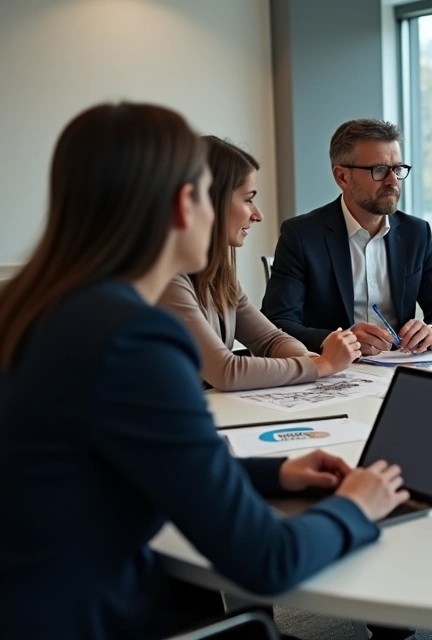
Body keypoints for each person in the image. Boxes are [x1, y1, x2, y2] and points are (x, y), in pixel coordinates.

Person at [0, 102, 410, 639]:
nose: (248, 214)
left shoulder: (34, 307)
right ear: (183, 204)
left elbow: (124, 460)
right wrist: (357, 507)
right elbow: (266, 560)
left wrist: (274, 473)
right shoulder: (134, 337)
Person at [159, 136, 360, 391]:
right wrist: (322, 366)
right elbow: (225, 371)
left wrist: (311, 360)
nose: (258, 214)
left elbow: (269, 339)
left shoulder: (219, 274)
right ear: (209, 201)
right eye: (247, 199)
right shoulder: (165, 277)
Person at [262, 119, 432, 356]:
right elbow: (277, 322)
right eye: (378, 170)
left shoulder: (416, 233)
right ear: (342, 177)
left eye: (397, 169)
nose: (393, 181)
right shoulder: (302, 235)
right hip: (331, 371)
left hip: (400, 367)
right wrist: (339, 340)